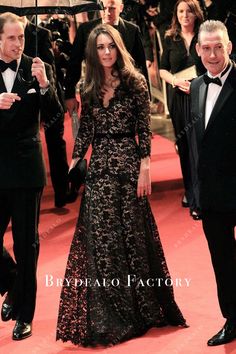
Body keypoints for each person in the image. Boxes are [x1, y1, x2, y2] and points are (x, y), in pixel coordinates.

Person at [56, 23, 187, 347]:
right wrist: (74, 160)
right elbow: (86, 127)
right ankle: (109, 312)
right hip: (100, 165)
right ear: (93, 51)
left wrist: (145, 169)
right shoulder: (88, 85)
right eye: (100, 47)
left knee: (132, 237)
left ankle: (139, 309)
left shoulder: (135, 83)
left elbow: (143, 129)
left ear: (118, 48)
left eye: (110, 46)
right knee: (101, 238)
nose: (106, 52)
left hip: (129, 164)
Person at [0, 12, 62, 340]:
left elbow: (56, 114)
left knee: (27, 245)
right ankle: (12, 282)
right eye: (11, 38)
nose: (18, 43)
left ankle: (26, 314)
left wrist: (44, 85)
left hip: (26, 170)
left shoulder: (38, 67)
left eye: (21, 37)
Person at [189, 20, 236, 346]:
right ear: (198, 50)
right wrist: (195, 193)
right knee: (222, 261)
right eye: (206, 48)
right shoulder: (195, 87)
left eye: (218, 46)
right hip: (213, 194)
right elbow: (195, 145)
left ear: (229, 47)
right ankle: (233, 320)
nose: (213, 54)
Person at [159, 0, 205, 219]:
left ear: (196, 14)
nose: (185, 15)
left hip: (201, 96)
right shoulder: (170, 38)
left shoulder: (204, 35)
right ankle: (190, 191)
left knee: (201, 147)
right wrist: (175, 81)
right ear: (175, 15)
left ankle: (200, 198)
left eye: (189, 11)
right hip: (178, 98)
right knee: (185, 147)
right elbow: (162, 69)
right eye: (180, 11)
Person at [64, 0, 150, 117]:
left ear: (121, 8)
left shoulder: (132, 30)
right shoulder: (85, 30)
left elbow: (140, 66)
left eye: (112, 8)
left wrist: (146, 96)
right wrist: (69, 94)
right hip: (94, 92)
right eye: (104, 8)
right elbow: (74, 64)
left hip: (125, 93)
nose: (107, 12)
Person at [23, 17, 72, 208]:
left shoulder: (41, 34)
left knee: (55, 143)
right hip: (21, 103)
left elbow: (51, 69)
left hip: (47, 94)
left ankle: (62, 191)